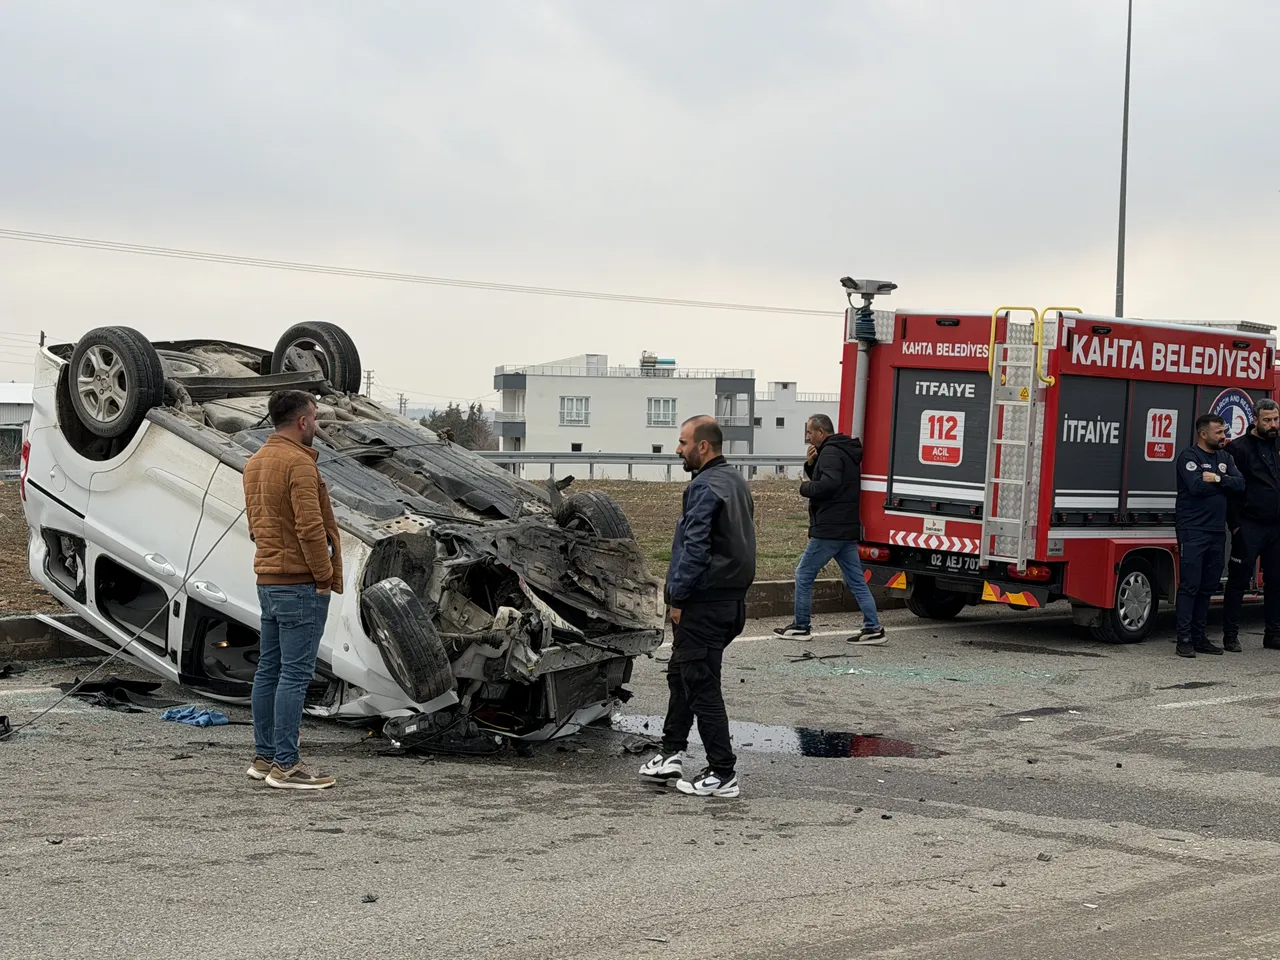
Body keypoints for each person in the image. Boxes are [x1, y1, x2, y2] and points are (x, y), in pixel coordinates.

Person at [639, 416, 756, 799]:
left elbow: (695, 547)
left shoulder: (704, 487)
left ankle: (723, 773)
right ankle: (670, 753)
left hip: (704, 604)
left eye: (683, 442)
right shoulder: (735, 481)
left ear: (703, 446)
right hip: (730, 602)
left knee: (702, 687)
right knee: (683, 675)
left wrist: (678, 597)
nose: (678, 449)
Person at [242, 390, 343, 789]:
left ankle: (264, 757)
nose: (316, 425)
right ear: (302, 421)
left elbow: (255, 525)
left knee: (269, 669)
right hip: (299, 583)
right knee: (295, 674)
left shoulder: (255, 463)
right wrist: (323, 576)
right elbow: (310, 528)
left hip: (268, 580)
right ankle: (287, 765)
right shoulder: (299, 465)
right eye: (315, 417)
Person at [773, 414, 885, 645]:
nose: (807, 438)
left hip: (830, 528)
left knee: (803, 574)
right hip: (845, 527)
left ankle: (801, 626)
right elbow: (830, 479)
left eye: (809, 433)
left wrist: (805, 488)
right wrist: (811, 464)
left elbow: (829, 484)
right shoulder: (841, 451)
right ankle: (873, 628)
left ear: (821, 432)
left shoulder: (832, 452)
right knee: (855, 580)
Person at [1174, 413, 1243, 659]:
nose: (1224, 436)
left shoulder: (1225, 457)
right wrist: (1224, 483)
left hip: (1217, 530)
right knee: (1190, 585)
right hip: (1193, 530)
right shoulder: (1189, 457)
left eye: (1224, 431)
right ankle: (1183, 639)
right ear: (1204, 434)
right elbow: (1195, 487)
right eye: (1219, 432)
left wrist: (1216, 478)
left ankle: (1199, 637)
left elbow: (1240, 484)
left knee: (1207, 587)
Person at [1222, 399, 1280, 652]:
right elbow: (1231, 489)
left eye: (1276, 419)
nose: (1273, 424)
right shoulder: (1239, 448)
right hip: (1249, 525)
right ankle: (1230, 635)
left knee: (1276, 582)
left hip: (1276, 527)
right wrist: (1235, 525)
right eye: (1267, 420)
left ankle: (1274, 634)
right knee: (1238, 582)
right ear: (1254, 420)